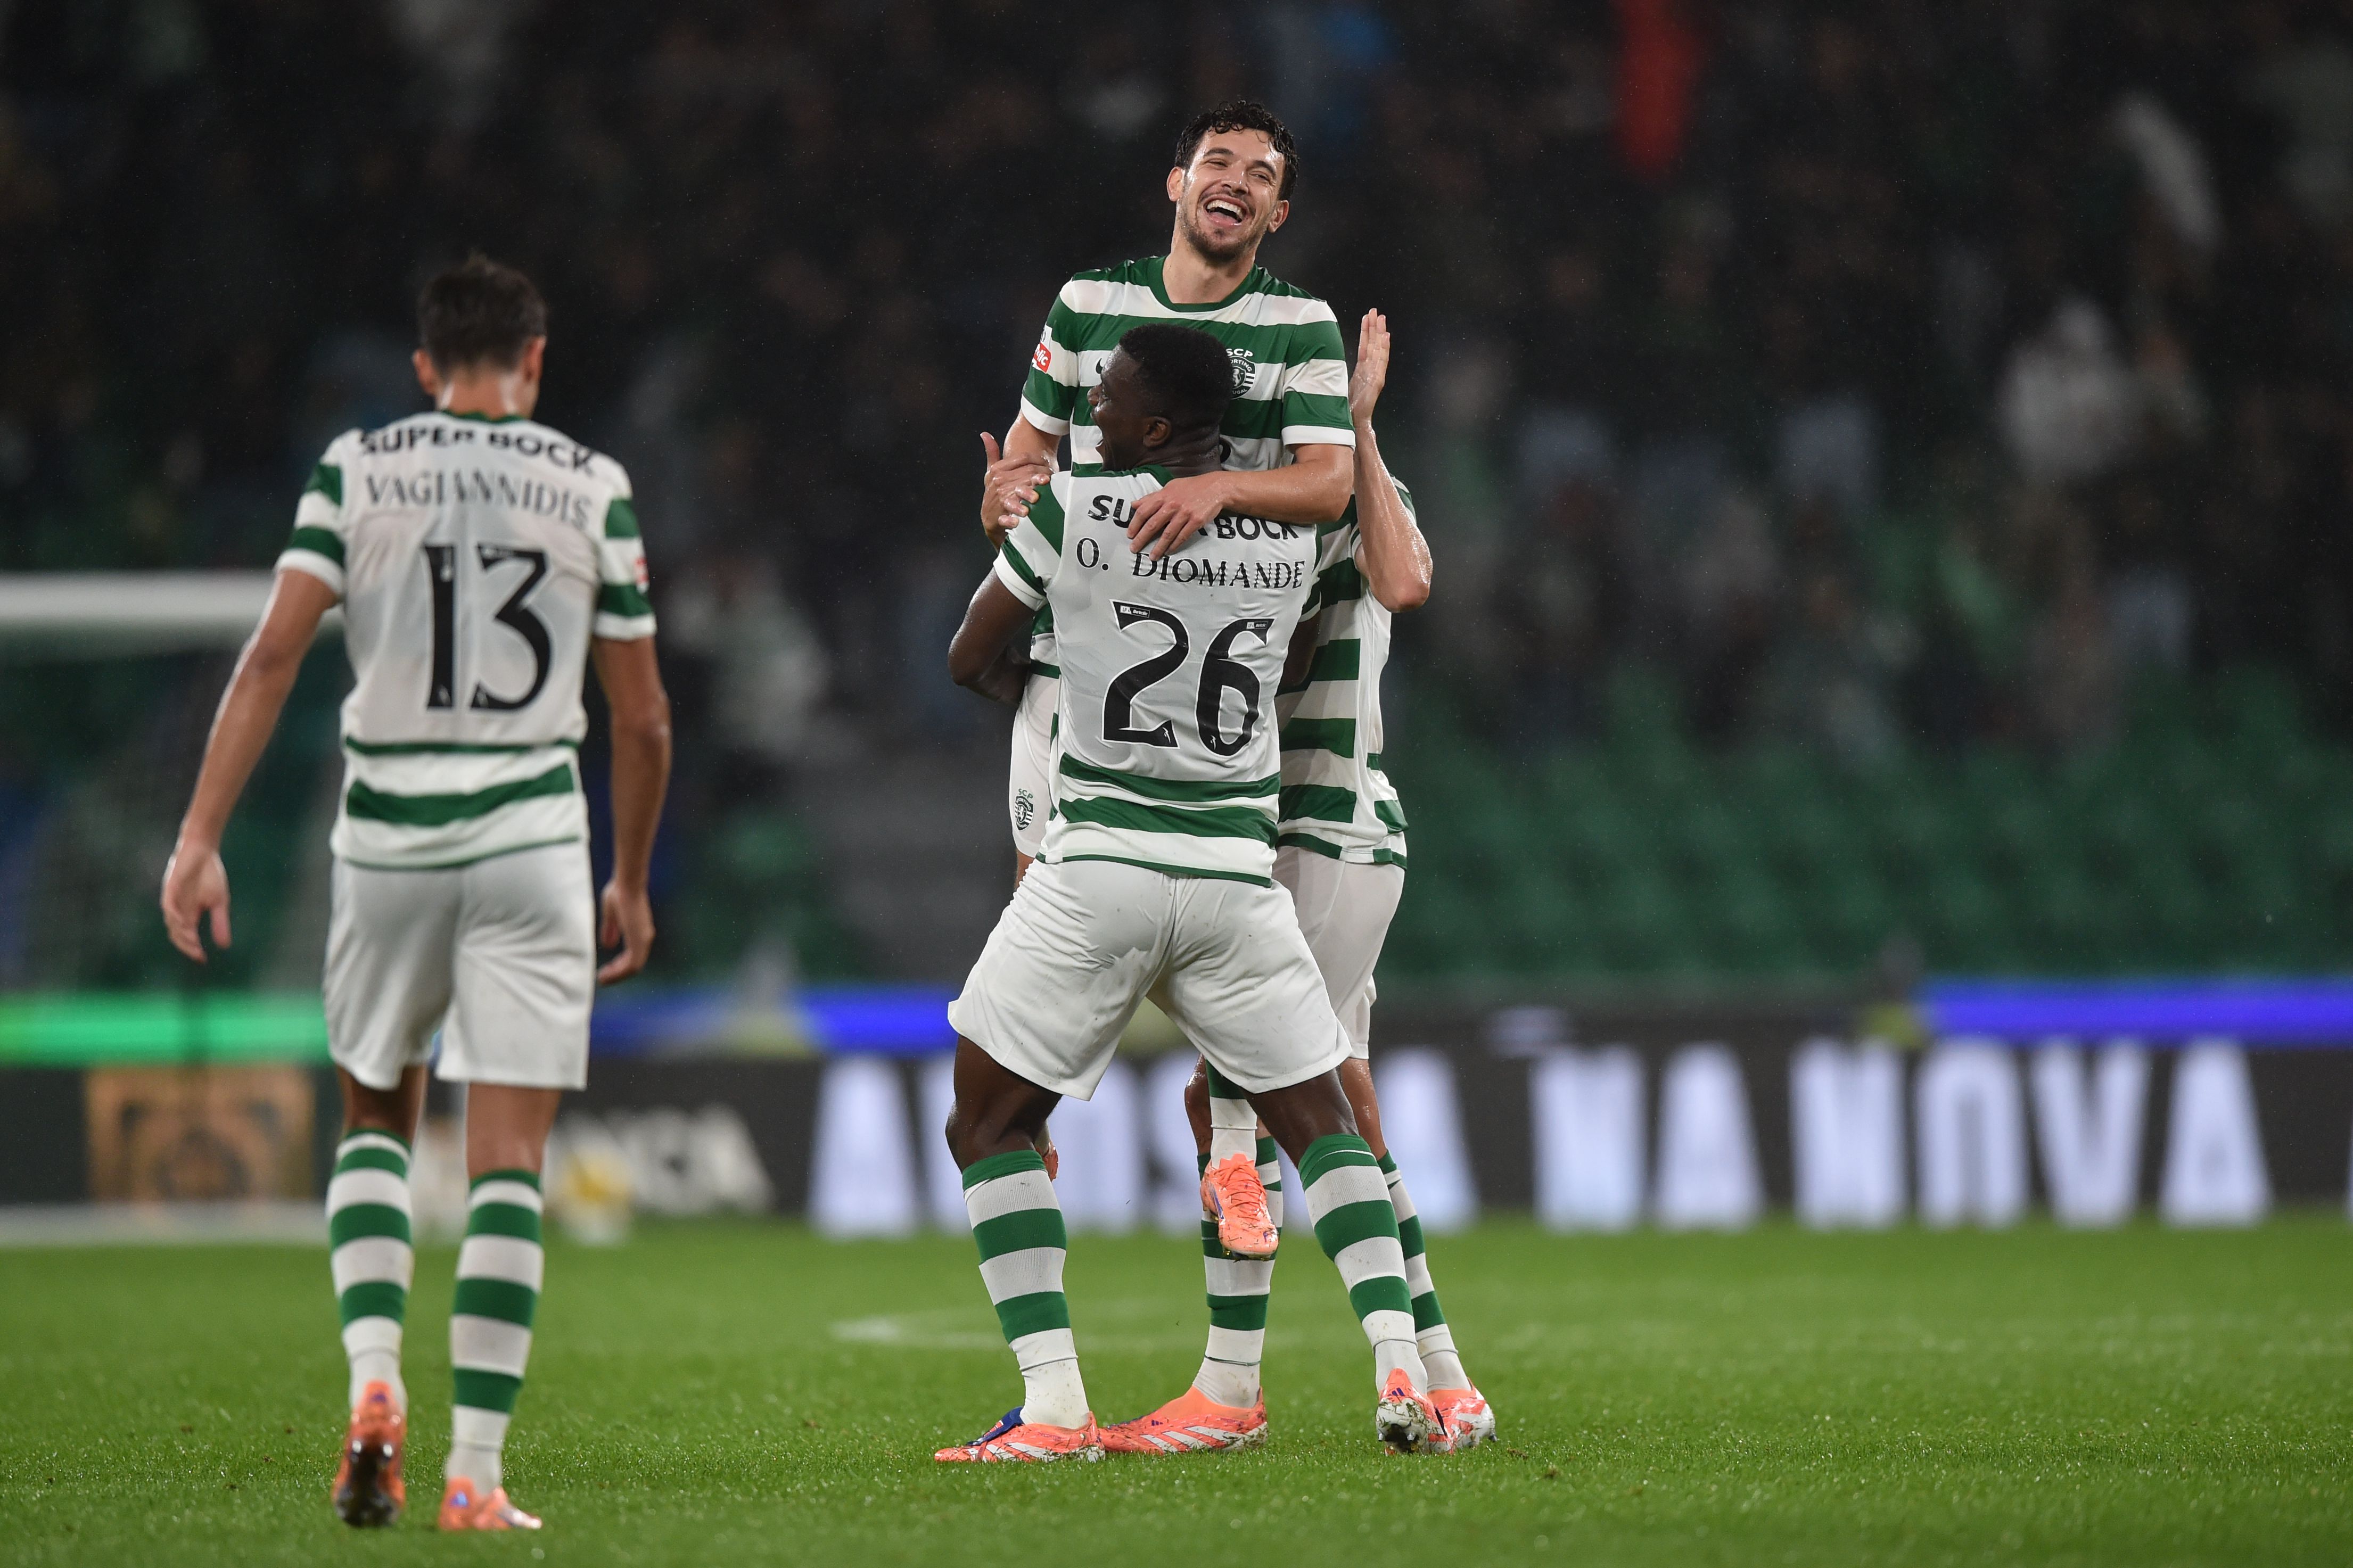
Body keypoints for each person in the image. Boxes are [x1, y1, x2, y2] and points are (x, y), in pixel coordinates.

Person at [158, 255, 672, 1532]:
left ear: (423, 368)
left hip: (386, 839)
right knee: (506, 1159)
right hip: (530, 840)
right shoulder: (593, 486)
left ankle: (375, 1382)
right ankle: (477, 1479)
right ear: (536, 361)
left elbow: (274, 654)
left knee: (376, 1117)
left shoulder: (354, 468)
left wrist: (199, 837)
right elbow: (646, 719)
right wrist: (630, 875)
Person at [937, 324, 1442, 1462]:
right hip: (1234, 876)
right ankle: (1401, 1364)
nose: (1092, 406)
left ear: (1152, 425)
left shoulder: (1076, 507)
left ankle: (1056, 1406)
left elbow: (969, 657)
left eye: (1108, 393)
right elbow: (1386, 575)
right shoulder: (1292, 538)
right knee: (1323, 1130)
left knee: (988, 1121)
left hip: (1102, 867)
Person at [1105, 312, 1497, 1456]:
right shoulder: (1228, 505)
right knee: (1349, 1117)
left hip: (1319, 835)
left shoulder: (1322, 503)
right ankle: (1445, 1382)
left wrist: (1363, 434)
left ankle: (1228, 1394)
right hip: (1281, 836)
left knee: (1233, 1104)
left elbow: (1405, 580)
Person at [980, 98, 1356, 888]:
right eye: (1219, 162)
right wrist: (1006, 506)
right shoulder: (1086, 303)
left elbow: (1329, 485)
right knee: (1042, 913)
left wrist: (1218, 487)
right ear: (1178, 181)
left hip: (1214, 678)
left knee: (1204, 931)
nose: (1238, 182)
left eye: (1262, 176)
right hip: (1075, 652)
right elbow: (1029, 449)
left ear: (1278, 214)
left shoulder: (1302, 323)